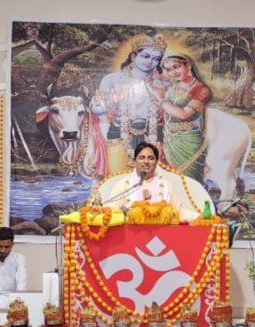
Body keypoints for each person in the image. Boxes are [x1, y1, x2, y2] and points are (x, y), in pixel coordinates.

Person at [90, 33, 169, 172]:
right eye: (145, 56)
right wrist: (113, 99)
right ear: (133, 56)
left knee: (152, 181)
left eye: (156, 59)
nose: (150, 61)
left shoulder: (163, 84)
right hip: (119, 134)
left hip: (154, 135)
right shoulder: (113, 79)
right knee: (117, 179)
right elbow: (95, 108)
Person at [155, 54, 213, 184]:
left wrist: (160, 99)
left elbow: (183, 114)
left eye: (176, 67)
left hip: (188, 141)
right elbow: (167, 112)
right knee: (171, 181)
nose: (173, 72)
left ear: (188, 65)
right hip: (169, 139)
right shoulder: (174, 86)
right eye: (169, 69)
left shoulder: (201, 89)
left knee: (190, 182)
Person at [108, 142, 176, 211]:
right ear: (135, 161)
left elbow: (178, 211)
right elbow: (110, 210)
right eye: (142, 158)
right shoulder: (123, 185)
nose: (146, 161)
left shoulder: (166, 186)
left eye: (151, 158)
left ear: (156, 162)